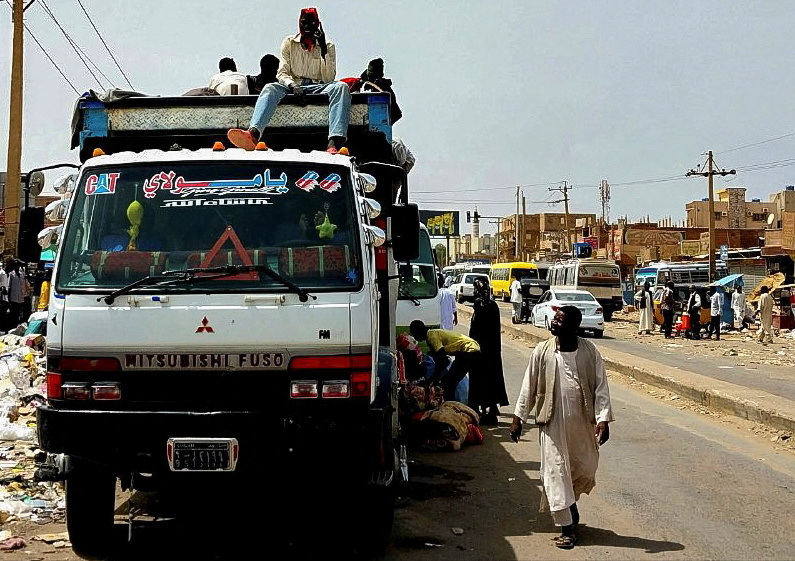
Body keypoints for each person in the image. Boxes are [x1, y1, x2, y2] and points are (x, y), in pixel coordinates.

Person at [510, 306, 613, 550]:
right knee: (556, 473)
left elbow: (601, 386)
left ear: (573, 326)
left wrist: (603, 419)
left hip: (582, 424)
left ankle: (569, 503)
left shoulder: (589, 351)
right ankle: (567, 527)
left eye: (559, 319)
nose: (554, 322)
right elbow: (529, 386)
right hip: (552, 424)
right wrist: (518, 418)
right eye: (554, 318)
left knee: (585, 470)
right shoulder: (543, 350)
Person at [227, 8, 351, 154]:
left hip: (318, 86)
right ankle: (253, 133)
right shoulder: (289, 42)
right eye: (303, 23)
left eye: (310, 23)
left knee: (341, 87)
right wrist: (293, 85)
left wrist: (323, 49)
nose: (306, 27)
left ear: (317, 25)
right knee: (270, 88)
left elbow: (329, 78)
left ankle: (333, 143)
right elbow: (282, 72)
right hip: (292, 85)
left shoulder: (328, 46)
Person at [468, 278, 508, 425]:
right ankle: (491, 408)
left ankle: (483, 411)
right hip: (493, 350)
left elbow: (476, 330)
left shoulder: (480, 305)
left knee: (479, 379)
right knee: (492, 378)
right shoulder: (494, 305)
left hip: (479, 350)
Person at [409, 320, 480, 402]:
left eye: (414, 335)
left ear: (418, 332)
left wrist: (433, 379)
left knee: (448, 383)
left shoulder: (432, 337)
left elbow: (443, 362)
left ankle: (450, 407)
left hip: (468, 350)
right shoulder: (432, 334)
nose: (415, 338)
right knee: (453, 381)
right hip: (473, 348)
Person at [350, 57, 402, 123]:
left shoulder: (385, 89)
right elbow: (397, 114)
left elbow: (397, 114)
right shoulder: (358, 84)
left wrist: (383, 124)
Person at [7, 260, 26, 329]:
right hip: (13, 297)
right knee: (13, 312)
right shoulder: (11, 274)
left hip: (21, 297)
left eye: (18, 266)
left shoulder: (22, 274)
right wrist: (8, 298)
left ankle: (18, 325)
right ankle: (12, 325)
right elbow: (9, 286)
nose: (17, 267)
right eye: (16, 266)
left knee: (19, 312)